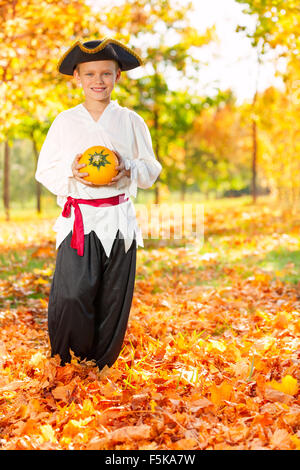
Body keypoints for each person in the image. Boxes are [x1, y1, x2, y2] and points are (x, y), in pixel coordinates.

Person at [35, 38, 162, 370]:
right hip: (80, 219)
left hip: (119, 219)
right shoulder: (65, 122)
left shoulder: (131, 121)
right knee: (73, 293)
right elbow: (44, 170)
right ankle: (68, 362)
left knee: (113, 297)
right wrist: (70, 171)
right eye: (90, 74)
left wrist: (128, 167)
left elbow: (151, 170)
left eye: (106, 73)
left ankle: (99, 364)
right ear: (76, 78)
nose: (98, 81)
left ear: (118, 75)